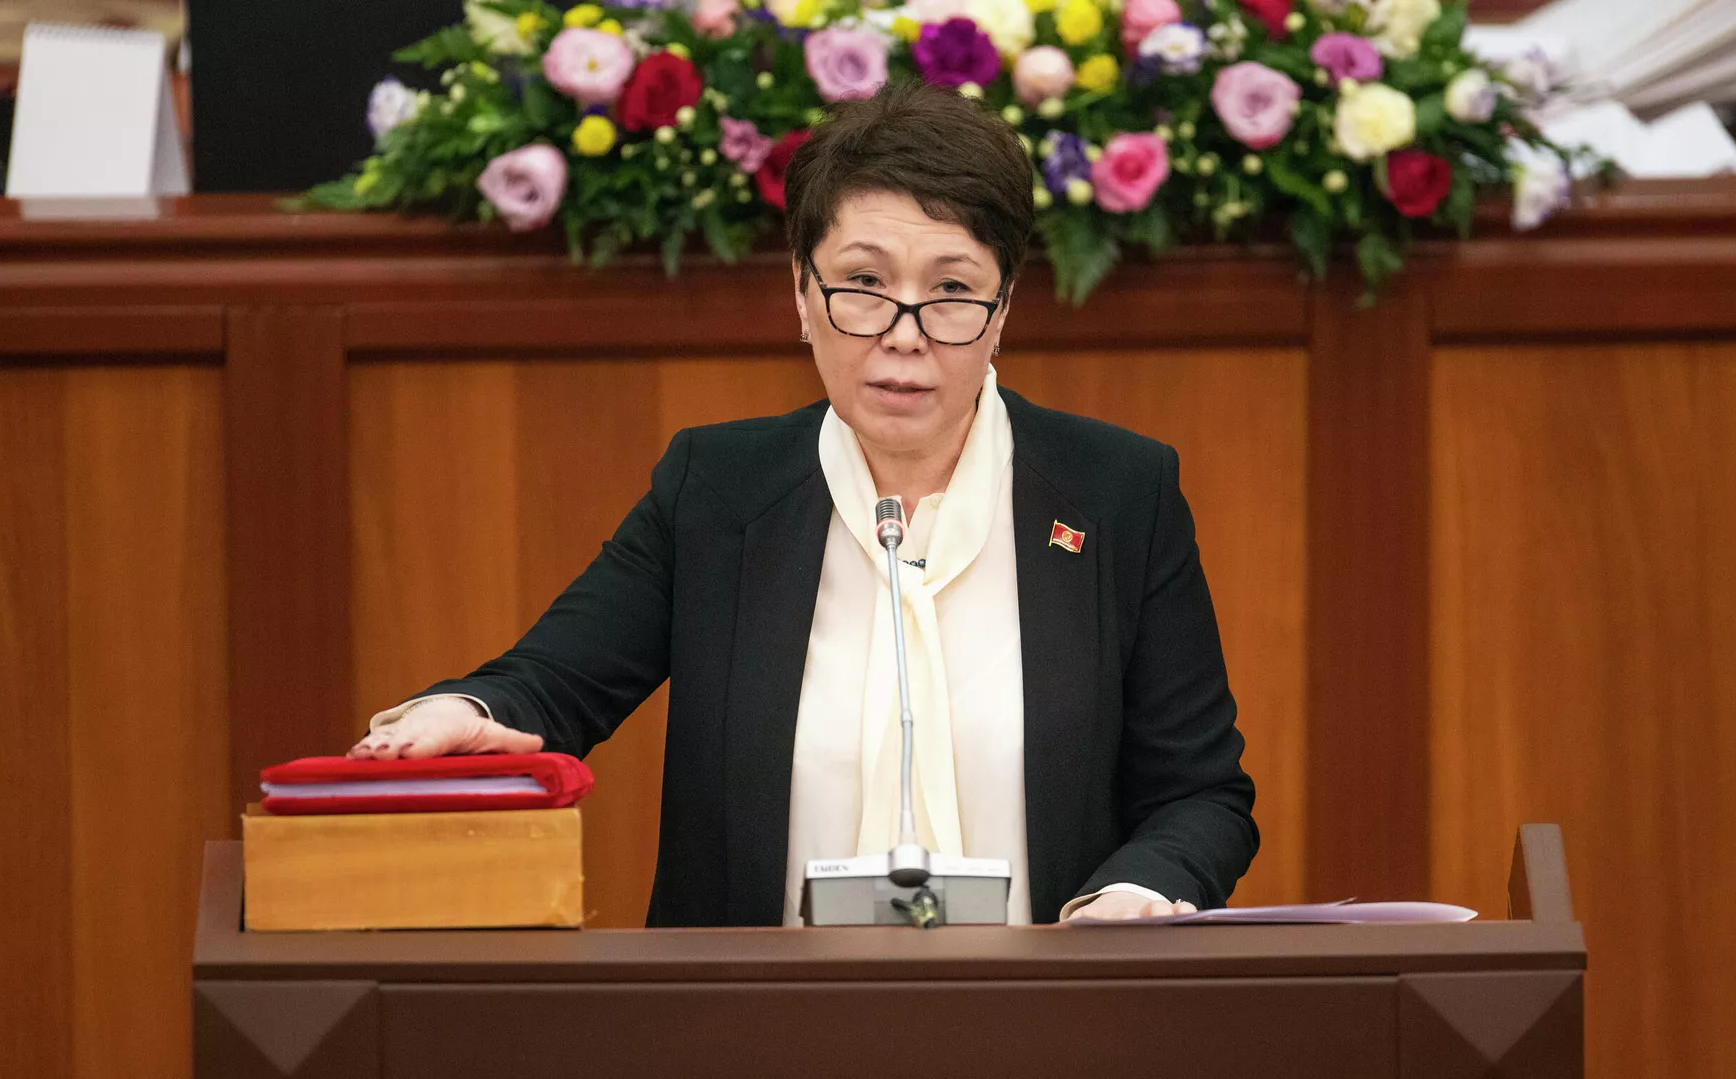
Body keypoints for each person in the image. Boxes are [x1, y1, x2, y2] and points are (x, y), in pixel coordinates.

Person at [350, 80, 1257, 927]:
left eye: (951, 290)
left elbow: (1201, 792)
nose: (903, 335)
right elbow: (552, 685)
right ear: (801, 291)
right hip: (758, 1016)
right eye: (864, 283)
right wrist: (464, 709)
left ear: (1005, 305)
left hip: (1046, 1011)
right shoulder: (717, 490)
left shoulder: (1116, 492)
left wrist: (1135, 895)